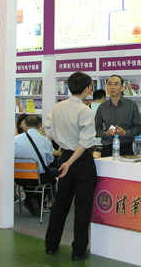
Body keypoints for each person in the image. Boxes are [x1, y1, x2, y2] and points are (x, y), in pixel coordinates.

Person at [44, 71, 97, 261]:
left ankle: (51, 244)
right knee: (82, 207)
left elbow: (49, 132)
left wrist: (64, 151)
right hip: (80, 160)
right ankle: (78, 250)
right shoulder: (85, 111)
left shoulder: (57, 107)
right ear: (88, 89)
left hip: (65, 156)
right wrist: (70, 161)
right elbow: (84, 143)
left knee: (60, 204)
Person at [14, 114, 57, 217]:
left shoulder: (16, 139)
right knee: (52, 178)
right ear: (39, 125)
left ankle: (30, 198)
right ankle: (36, 199)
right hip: (37, 178)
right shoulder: (45, 141)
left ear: (25, 124)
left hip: (17, 178)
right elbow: (49, 161)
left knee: (30, 177)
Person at [95, 75, 141, 157]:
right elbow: (97, 129)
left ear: (122, 87)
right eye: (109, 84)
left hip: (126, 147)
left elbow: (139, 128)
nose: (112, 87)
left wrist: (125, 133)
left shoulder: (131, 105)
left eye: (116, 84)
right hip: (107, 148)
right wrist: (107, 133)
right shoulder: (102, 107)